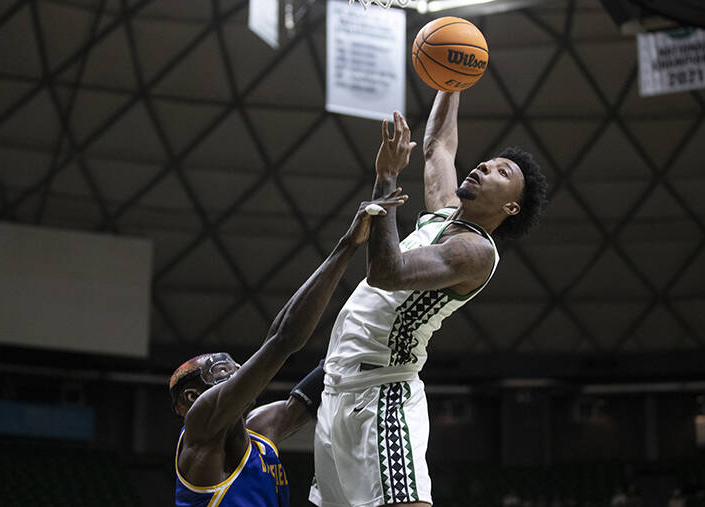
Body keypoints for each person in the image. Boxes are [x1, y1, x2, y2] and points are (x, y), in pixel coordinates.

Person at [310, 91, 548, 507]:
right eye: (488, 161)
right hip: (337, 388)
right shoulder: (444, 212)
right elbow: (438, 145)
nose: (484, 166)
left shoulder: (476, 252)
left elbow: (387, 273)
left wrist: (385, 181)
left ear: (511, 206)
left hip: (383, 394)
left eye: (500, 171)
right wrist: (451, 81)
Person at [168, 192, 408, 507]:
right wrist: (347, 245)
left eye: (238, 366)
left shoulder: (261, 429)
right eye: (223, 372)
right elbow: (282, 340)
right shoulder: (201, 427)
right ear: (190, 397)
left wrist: (376, 334)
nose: (240, 372)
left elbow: (316, 375)